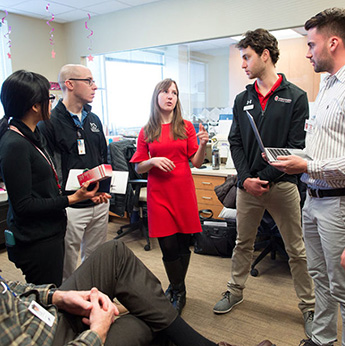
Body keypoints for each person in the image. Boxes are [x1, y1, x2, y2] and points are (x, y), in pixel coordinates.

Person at [212, 28, 315, 338]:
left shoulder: (295, 97)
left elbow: (297, 145)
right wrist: (246, 180)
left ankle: (309, 306)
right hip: (248, 188)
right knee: (243, 243)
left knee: (296, 249)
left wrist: (264, 179)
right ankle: (235, 290)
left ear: (265, 55)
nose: (243, 63)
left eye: (247, 57)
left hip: (282, 187)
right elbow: (236, 143)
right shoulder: (242, 99)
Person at [0, 239, 275, 346]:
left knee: (114, 253)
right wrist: (95, 333)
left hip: (42, 313)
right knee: (152, 316)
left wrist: (55, 296)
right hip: (58, 340)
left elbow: (10, 288)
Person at [268, 8, 345, 346]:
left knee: (342, 284)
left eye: (311, 44)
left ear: (333, 42)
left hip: (337, 203)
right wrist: (298, 159)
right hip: (312, 200)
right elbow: (326, 145)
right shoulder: (327, 85)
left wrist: (307, 167)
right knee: (320, 277)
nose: (307, 52)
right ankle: (322, 338)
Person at [0, 70, 108, 286]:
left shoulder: (32, 136)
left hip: (51, 227)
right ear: (34, 105)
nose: (52, 102)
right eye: (48, 97)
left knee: (66, 282)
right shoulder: (16, 143)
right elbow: (23, 205)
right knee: (54, 291)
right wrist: (72, 199)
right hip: (37, 236)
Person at [130, 78, 208, 314]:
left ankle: (177, 290)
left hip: (183, 192)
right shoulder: (147, 130)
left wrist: (202, 145)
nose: (170, 96)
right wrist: (151, 161)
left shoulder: (186, 127)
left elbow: (196, 162)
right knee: (168, 245)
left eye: (174, 92)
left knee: (184, 245)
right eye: (165, 92)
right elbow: (138, 167)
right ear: (156, 97)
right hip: (159, 194)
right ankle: (178, 287)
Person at [38, 64, 111, 281]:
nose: (95, 86)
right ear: (69, 84)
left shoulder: (94, 119)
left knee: (95, 259)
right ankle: (68, 306)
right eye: (88, 81)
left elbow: (102, 158)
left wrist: (103, 189)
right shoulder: (49, 122)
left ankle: (92, 298)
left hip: (98, 201)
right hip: (71, 205)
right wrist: (64, 199)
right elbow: (48, 168)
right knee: (67, 263)